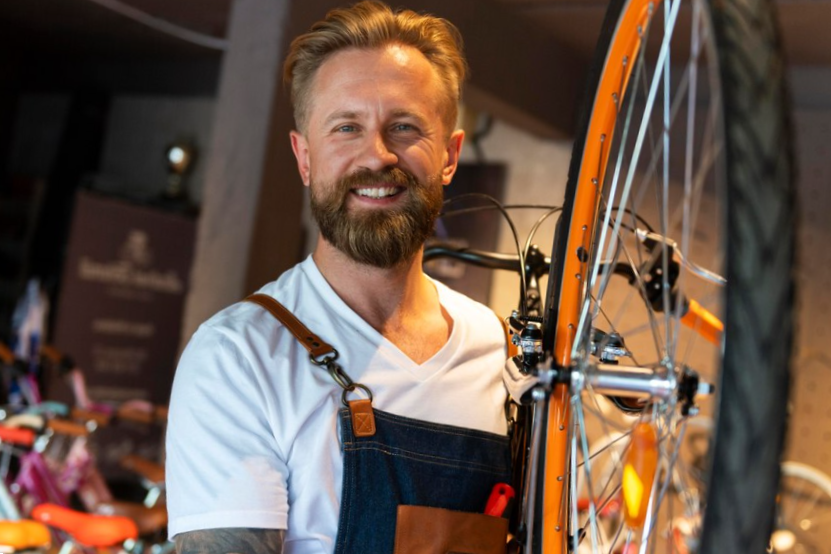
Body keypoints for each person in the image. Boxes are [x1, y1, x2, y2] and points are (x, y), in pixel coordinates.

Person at [166, 2, 516, 553]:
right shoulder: (240, 357)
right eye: (346, 127)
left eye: (404, 127)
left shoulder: (504, 354)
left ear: (450, 156)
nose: (376, 156)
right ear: (304, 158)